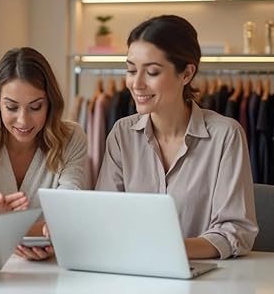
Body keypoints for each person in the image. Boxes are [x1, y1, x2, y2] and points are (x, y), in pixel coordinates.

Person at [96, 15, 258, 259]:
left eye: (151, 72)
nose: (136, 83)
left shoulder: (225, 135)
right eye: (131, 70)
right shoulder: (122, 134)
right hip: (133, 273)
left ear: (186, 74)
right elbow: (104, 217)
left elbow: (235, 231)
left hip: (209, 280)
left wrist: (167, 250)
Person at [0, 47, 89, 261]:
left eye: (35, 107)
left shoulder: (71, 138)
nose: (23, 120)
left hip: (52, 268)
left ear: (50, 103)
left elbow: (70, 214)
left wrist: (0, 229)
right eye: (12, 107)